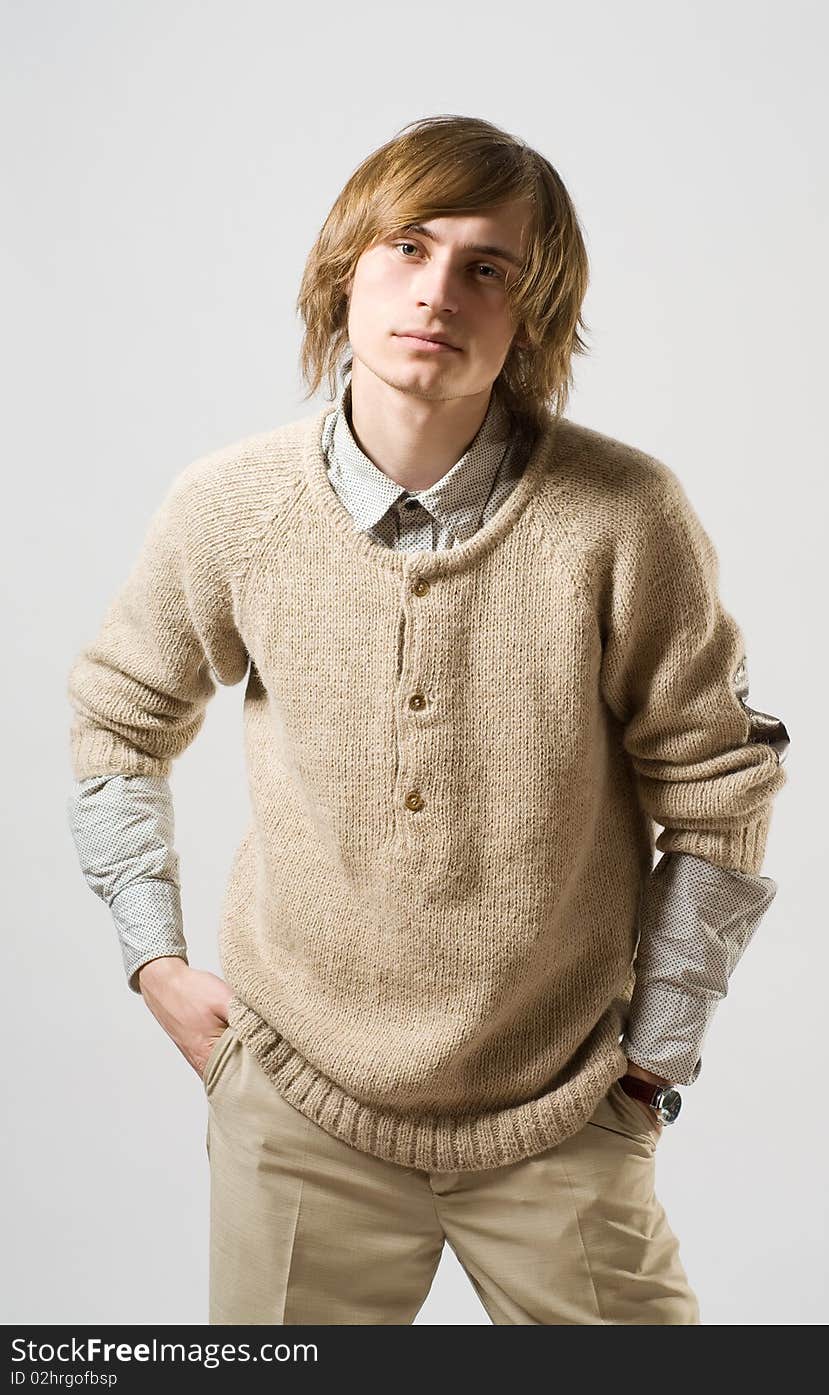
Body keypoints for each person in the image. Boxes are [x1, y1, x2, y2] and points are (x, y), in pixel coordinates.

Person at [66, 113, 789, 1325]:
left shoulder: (625, 518)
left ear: (530, 317)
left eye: (485, 268)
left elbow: (720, 792)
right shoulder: (230, 508)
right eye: (406, 246)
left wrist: (656, 1054)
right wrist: (153, 956)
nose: (436, 291)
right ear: (342, 271)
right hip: (297, 1108)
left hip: (562, 1113)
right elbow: (117, 722)